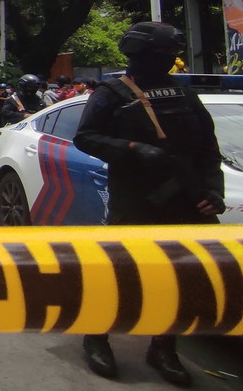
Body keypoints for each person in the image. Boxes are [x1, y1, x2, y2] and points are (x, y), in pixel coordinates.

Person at [73, 21, 224, 387]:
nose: (169, 61)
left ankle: (163, 347)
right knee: (119, 274)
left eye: (170, 55)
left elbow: (208, 149)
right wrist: (132, 149)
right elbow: (86, 137)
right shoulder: (111, 93)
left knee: (178, 279)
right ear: (139, 55)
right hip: (135, 200)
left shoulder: (183, 94)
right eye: (161, 55)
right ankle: (96, 337)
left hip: (185, 203)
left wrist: (212, 192)